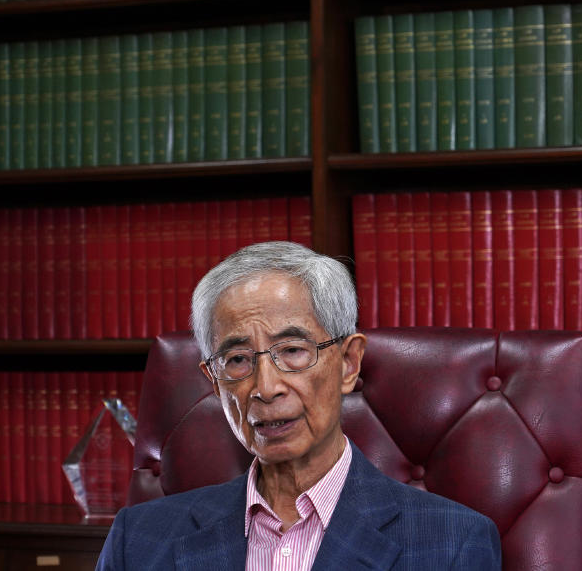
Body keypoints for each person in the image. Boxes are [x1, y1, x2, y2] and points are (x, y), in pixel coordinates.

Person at [95, 241, 502, 570]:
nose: (266, 388)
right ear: (214, 383)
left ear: (348, 364)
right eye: (237, 360)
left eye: (292, 350)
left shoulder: (452, 544)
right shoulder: (140, 540)